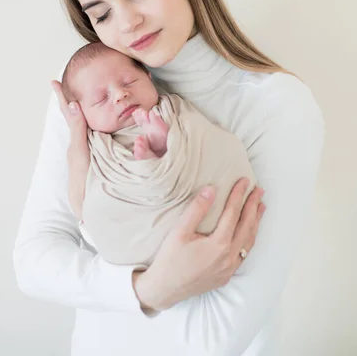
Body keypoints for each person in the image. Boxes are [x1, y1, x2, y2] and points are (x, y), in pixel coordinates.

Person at [13, 0, 325, 356]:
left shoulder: (277, 107)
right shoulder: (93, 96)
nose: (127, 21)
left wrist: (105, 283)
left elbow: (217, 334)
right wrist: (148, 288)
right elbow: (33, 261)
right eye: (100, 14)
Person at [60, 41, 257, 266]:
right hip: (145, 235)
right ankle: (151, 160)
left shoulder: (174, 110)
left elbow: (209, 143)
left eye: (129, 81)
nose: (120, 95)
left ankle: (162, 150)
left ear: (148, 77)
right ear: (82, 113)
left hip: (216, 210)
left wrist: (174, 146)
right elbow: (96, 210)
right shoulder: (95, 148)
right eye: (101, 99)